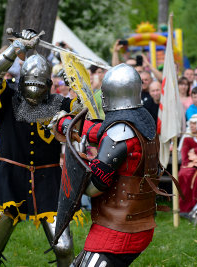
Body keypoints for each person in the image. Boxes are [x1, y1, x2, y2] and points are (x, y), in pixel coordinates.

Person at [0, 30, 75, 266]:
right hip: (10, 179)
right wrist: (16, 47)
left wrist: (72, 71)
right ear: (21, 83)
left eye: (40, 86)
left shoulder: (60, 103)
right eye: (30, 85)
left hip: (47, 180)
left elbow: (87, 108)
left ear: (49, 85)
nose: (34, 91)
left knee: (64, 247)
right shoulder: (7, 99)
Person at [59, 63, 166, 266]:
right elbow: (98, 129)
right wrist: (66, 124)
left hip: (118, 229)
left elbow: (93, 188)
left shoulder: (119, 134)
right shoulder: (143, 123)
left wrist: (81, 160)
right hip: (136, 221)